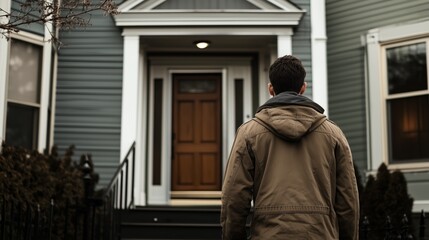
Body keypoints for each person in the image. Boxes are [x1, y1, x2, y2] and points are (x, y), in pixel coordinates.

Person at [220, 55, 359, 239]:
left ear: (271, 88)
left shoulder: (249, 133)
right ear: (303, 88)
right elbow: (348, 201)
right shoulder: (333, 134)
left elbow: (234, 199)